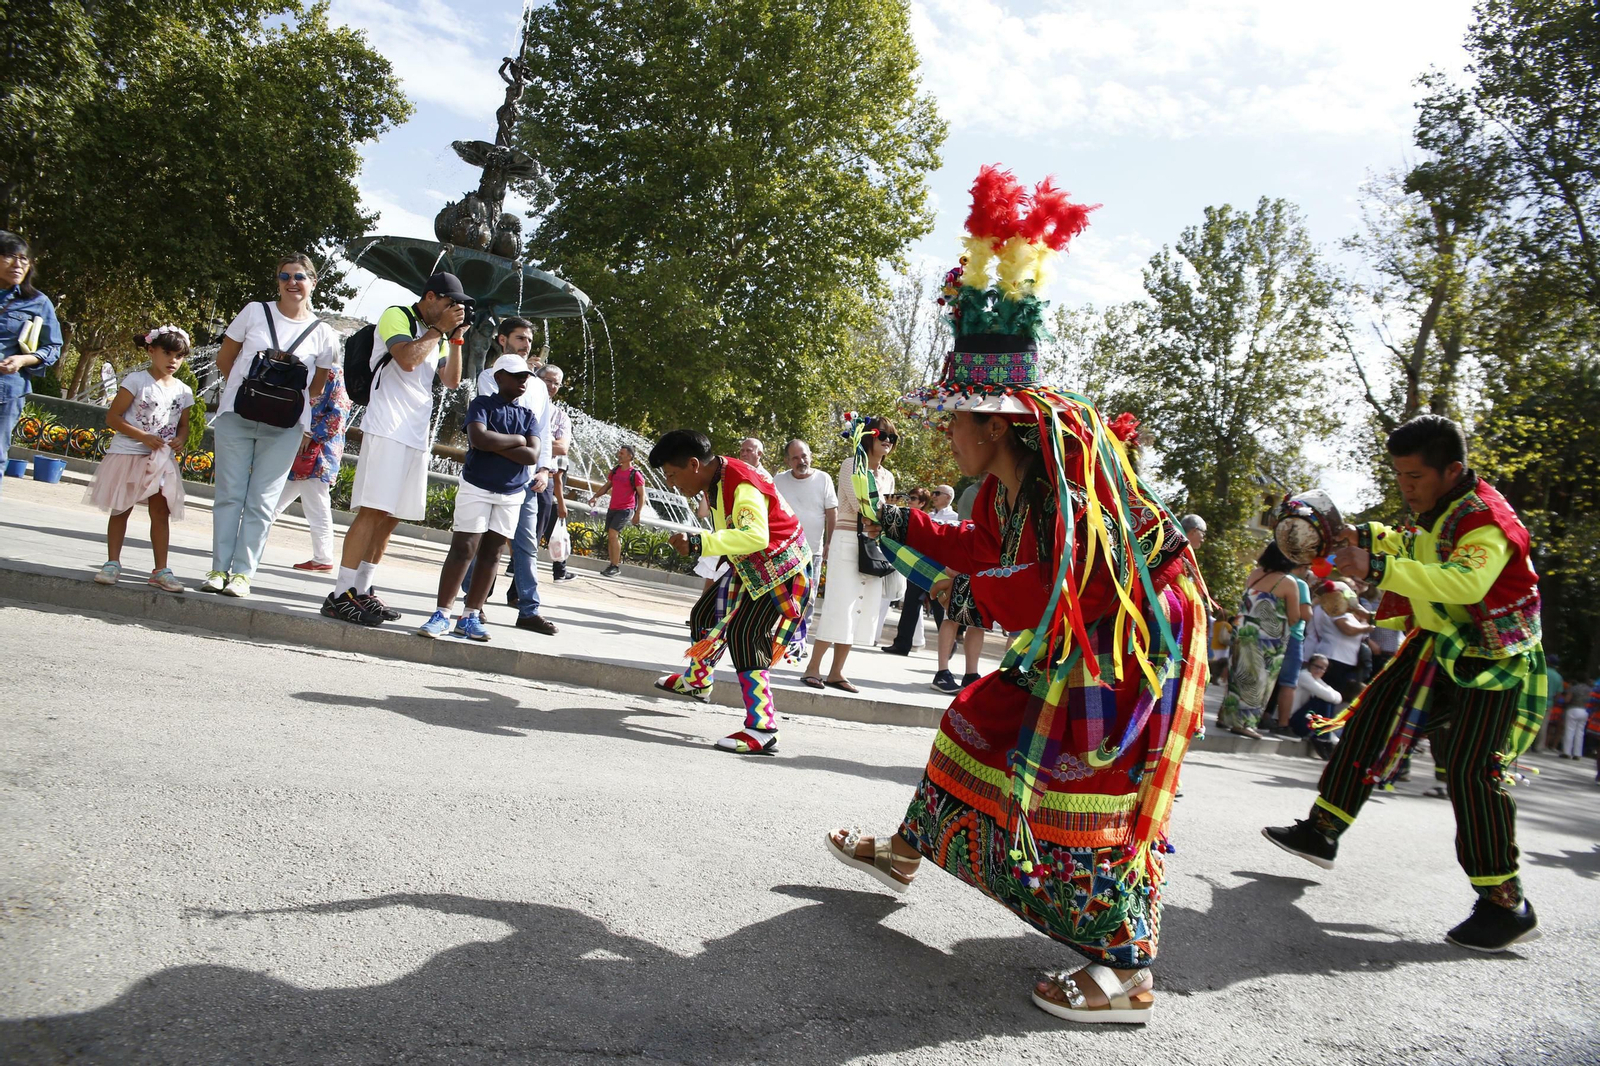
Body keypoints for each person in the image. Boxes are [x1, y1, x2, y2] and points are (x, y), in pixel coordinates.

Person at [826, 168, 1206, 1024]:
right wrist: (906, 527)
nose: (944, 429)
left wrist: (961, 586)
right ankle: (906, 851)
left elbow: (1046, 587)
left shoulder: (1069, 480)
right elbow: (985, 551)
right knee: (972, 723)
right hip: (1077, 629)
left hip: (1132, 643)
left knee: (1082, 790)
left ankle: (1127, 969)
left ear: (995, 423)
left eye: (955, 418)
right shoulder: (1003, 484)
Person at [1265, 414, 1548, 952]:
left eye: (1414, 477)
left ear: (1453, 470)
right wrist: (1361, 541)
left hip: (1491, 656)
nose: (1406, 487)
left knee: (1471, 771)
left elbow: (1466, 582)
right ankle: (1321, 831)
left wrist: (1375, 566)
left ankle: (1505, 904)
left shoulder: (1487, 519)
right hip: (1438, 644)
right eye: (1399, 476)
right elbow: (1417, 545)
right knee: (1369, 723)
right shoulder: (1441, 511)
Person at [649, 429, 813, 755]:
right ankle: (698, 682)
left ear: (693, 464)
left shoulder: (740, 483)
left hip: (781, 568)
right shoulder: (718, 478)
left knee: (745, 635)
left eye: (672, 475)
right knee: (705, 614)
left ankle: (762, 727)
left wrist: (699, 542)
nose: (671, 484)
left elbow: (755, 536)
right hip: (754, 566)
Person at [324, 272, 467, 625]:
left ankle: (363, 589)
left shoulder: (443, 335)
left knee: (390, 518)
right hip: (387, 426)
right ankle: (340, 594)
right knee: (372, 511)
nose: (454, 311)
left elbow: (450, 381)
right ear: (431, 297)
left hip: (416, 435)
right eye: (450, 304)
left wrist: (457, 338)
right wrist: (437, 332)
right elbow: (406, 359)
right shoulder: (397, 315)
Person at [203, 255, 341, 597]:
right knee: (229, 495)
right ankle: (218, 569)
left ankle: (242, 575)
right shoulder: (254, 311)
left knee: (262, 501)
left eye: (299, 277)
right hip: (237, 416)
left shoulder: (324, 333)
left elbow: (319, 386)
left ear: (312, 282)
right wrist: (251, 393)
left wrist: (279, 401)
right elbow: (225, 358)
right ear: (277, 281)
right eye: (284, 276)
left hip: (285, 425)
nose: (291, 282)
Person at [416, 355, 541, 641]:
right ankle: (442, 614)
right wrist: (518, 441)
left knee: (493, 554)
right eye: (516, 375)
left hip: (511, 492)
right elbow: (479, 440)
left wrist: (499, 443)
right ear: (499, 378)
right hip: (477, 486)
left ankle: (471, 614)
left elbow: (532, 455)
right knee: (464, 548)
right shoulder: (481, 405)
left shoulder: (528, 416)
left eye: (525, 377)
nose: (523, 381)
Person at [85, 327, 194, 593]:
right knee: (121, 508)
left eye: (179, 356)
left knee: (161, 511)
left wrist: (181, 439)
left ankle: (160, 569)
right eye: (167, 353)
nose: (173, 360)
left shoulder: (184, 390)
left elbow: (184, 425)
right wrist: (143, 436)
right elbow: (113, 417)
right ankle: (112, 562)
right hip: (129, 453)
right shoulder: (135, 380)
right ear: (150, 350)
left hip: (161, 458)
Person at [471, 317, 557, 634]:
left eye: (529, 340)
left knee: (526, 545)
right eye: (519, 338)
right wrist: (525, 445)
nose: (526, 344)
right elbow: (497, 424)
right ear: (502, 340)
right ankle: (474, 602)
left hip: (529, 477)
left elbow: (543, 432)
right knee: (483, 541)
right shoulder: (487, 378)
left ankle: (529, 609)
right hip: (494, 476)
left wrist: (544, 469)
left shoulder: (537, 385)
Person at [802, 416, 897, 692]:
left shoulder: (888, 476)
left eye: (892, 437)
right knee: (838, 605)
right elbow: (861, 504)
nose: (888, 441)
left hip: (872, 542)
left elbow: (883, 512)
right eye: (883, 435)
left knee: (860, 607)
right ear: (869, 436)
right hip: (846, 537)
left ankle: (837, 672)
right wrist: (885, 513)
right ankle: (813, 668)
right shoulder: (851, 465)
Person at [1220, 542, 1303, 739]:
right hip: (1268, 638)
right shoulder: (1288, 582)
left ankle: (1226, 717)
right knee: (1258, 680)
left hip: (1243, 631)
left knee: (1238, 674)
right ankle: (1244, 723)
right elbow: (1294, 617)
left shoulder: (1255, 574)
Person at [274, 366, 352, 572]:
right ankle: (246, 538)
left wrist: (311, 435)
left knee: (314, 504)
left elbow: (338, 415)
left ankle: (323, 556)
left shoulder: (332, 374)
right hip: (310, 450)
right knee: (275, 499)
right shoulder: (319, 370)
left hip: (317, 453)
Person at [0, 232, 62, 472]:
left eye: (23, 258)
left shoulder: (37, 302)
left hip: (6, 391)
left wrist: (23, 359)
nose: (18, 264)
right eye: (9, 256)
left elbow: (53, 347)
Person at [883, 485, 959, 656]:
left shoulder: (955, 517)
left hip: (940, 569)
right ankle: (902, 644)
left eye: (938, 493)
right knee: (910, 603)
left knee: (939, 607)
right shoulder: (929, 516)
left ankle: (949, 646)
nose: (934, 496)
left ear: (948, 497)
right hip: (921, 564)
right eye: (933, 492)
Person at [772, 438, 838, 590]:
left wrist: (830, 542)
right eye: (795, 458)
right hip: (783, 551)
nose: (801, 461)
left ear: (811, 456)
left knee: (807, 597)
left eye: (804, 456)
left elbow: (832, 512)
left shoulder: (823, 479)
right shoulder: (779, 480)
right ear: (787, 461)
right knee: (781, 598)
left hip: (812, 552)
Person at [535, 364, 574, 582]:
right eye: (548, 380)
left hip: (544, 480)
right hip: (515, 473)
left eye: (556, 383)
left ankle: (518, 592)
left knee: (535, 535)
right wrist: (548, 440)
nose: (552, 386)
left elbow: (562, 448)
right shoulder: (522, 403)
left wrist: (533, 438)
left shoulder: (561, 416)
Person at [594, 445, 643, 577]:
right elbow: (606, 486)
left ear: (630, 456)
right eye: (619, 453)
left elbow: (642, 495)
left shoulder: (635, 474)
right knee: (611, 537)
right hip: (613, 508)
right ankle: (612, 565)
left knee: (613, 534)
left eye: (622, 453)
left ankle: (615, 566)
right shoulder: (615, 470)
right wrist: (595, 497)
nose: (619, 455)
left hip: (625, 509)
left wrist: (637, 513)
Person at [1561, 676, 1593, 759]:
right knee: (1580, 733)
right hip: (1584, 710)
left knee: (1569, 731)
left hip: (1573, 709)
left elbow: (1567, 700)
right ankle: (1577, 753)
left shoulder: (1573, 688)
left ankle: (1566, 752)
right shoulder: (1590, 690)